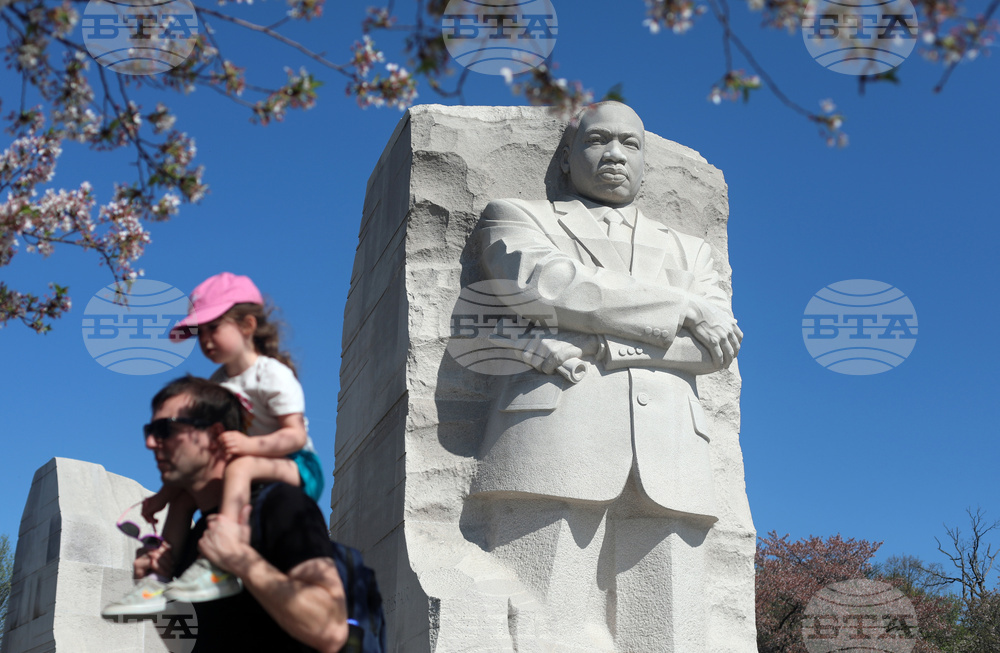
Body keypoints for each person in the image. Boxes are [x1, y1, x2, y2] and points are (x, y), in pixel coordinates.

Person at [466, 101, 743, 650]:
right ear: (566, 159)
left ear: (645, 164)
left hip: (674, 453)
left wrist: (598, 342)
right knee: (544, 625)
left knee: (674, 635)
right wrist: (681, 309)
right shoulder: (519, 216)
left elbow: (718, 347)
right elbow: (551, 285)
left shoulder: (694, 252)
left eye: (630, 144)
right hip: (555, 437)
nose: (615, 154)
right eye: (597, 141)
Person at [103, 272, 324, 612]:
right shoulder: (218, 382)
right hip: (244, 468)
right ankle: (160, 577)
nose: (204, 340)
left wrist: (248, 447)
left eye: (213, 328)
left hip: (295, 466)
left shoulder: (272, 373)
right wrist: (163, 496)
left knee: (241, 465)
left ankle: (221, 558)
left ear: (247, 325)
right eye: (198, 332)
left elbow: (295, 435)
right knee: (184, 498)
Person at [118, 375, 347, 652]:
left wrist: (242, 561)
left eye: (165, 429)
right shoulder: (197, 534)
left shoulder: (281, 505)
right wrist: (153, 586)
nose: (151, 443)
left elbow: (331, 630)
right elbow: (185, 640)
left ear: (215, 435)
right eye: (149, 431)